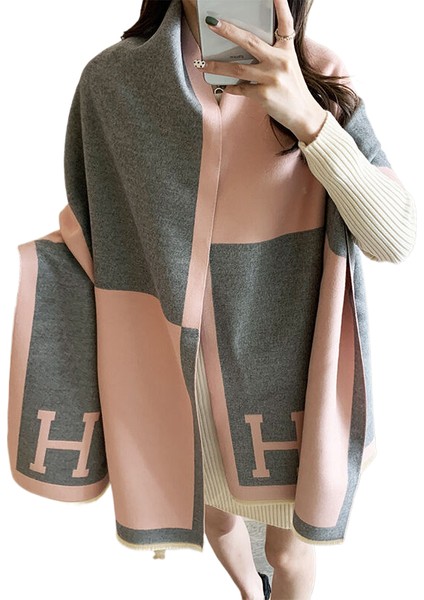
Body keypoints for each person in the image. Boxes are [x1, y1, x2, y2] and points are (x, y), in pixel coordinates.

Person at [7, 1, 416, 599]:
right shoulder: (112, 83)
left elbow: (394, 238)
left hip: (286, 374)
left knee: (289, 551)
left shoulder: (315, 74)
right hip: (172, 365)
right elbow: (99, 222)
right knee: (216, 518)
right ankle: (252, 591)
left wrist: (307, 117)